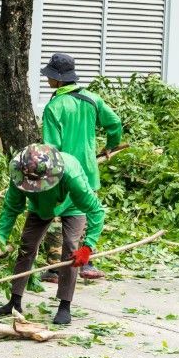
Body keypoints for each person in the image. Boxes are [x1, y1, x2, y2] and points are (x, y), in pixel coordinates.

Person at [0, 143, 105, 325]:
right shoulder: (20, 174)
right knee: (26, 246)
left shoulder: (71, 175)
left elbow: (96, 211)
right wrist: (0, 237)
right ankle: (15, 301)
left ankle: (64, 305)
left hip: (72, 205)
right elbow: (11, 208)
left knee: (70, 251)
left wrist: (88, 247)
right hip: (40, 207)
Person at [39, 52, 123, 280]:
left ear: (58, 79)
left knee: (57, 216)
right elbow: (114, 123)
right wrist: (111, 146)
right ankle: (86, 264)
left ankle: (55, 269)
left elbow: (51, 148)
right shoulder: (92, 99)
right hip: (87, 169)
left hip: (63, 172)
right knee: (84, 215)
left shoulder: (54, 107)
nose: (47, 80)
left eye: (49, 76)